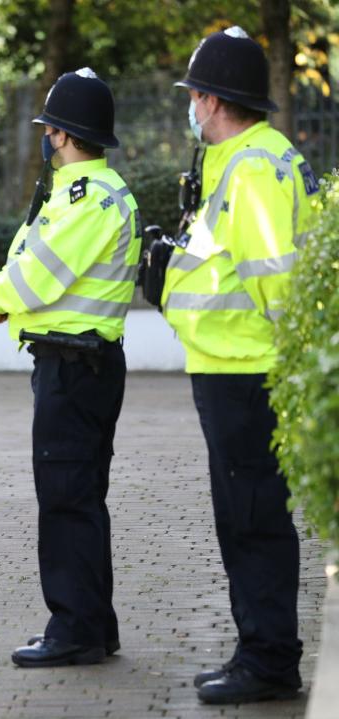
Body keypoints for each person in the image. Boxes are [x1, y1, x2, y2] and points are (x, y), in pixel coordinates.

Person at [161, 27, 319, 704]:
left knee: (252, 518)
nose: (191, 109)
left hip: (246, 370)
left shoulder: (251, 167)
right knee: (248, 516)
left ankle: (268, 661)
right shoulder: (259, 156)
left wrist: (293, 373)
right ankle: (259, 649)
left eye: (194, 96)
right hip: (240, 367)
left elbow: (275, 278)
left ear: (213, 99)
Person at [0, 69, 141, 667]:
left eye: (48, 128)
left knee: (67, 498)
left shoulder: (87, 197)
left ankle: (74, 630)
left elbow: (39, 273)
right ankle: (94, 626)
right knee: (81, 497)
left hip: (74, 366)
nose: (45, 136)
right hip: (82, 364)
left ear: (63, 134)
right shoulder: (86, 191)